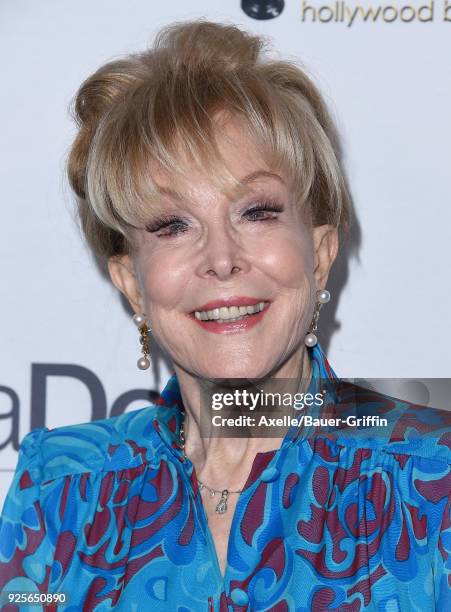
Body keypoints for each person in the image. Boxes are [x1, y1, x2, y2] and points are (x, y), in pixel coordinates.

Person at [0, 20, 449, 612]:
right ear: (132, 283)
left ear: (320, 253)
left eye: (256, 211)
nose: (220, 259)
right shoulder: (61, 490)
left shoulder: (432, 479)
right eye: (172, 225)